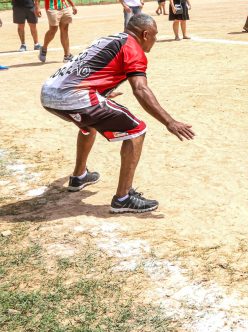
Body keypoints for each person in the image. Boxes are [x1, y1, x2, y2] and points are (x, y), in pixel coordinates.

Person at [40, 13, 195, 213]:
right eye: (155, 36)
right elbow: (140, 89)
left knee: (89, 124)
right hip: (73, 96)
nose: (155, 41)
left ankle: (79, 176)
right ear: (145, 34)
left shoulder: (110, 39)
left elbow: (87, 68)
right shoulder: (134, 48)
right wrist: (169, 121)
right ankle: (123, 197)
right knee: (136, 130)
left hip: (48, 92)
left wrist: (101, 91)